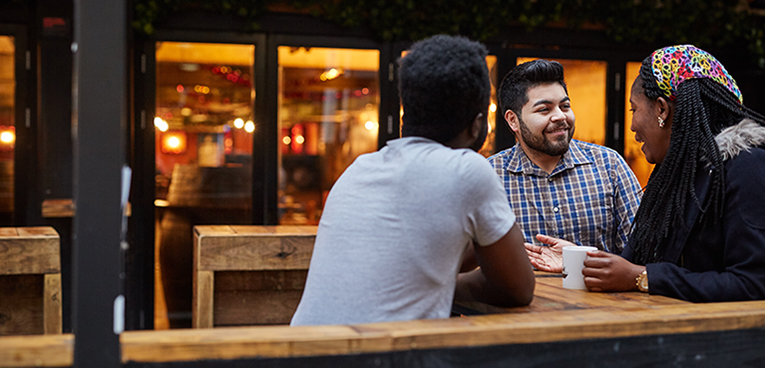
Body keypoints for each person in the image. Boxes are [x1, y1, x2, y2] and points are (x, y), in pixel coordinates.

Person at [290, 35, 535, 326]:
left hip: (304, 348)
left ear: (408, 113)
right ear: (478, 124)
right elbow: (517, 289)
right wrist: (445, 286)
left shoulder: (360, 167)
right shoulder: (468, 170)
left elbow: (430, 247)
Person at [526, 45, 765, 302]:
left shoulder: (746, 168)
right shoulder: (673, 174)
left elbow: (753, 283)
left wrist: (642, 277)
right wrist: (583, 260)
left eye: (634, 109)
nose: (631, 125)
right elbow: (635, 264)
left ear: (662, 109)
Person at [488, 59, 642, 254]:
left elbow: (642, 254)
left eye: (565, 106)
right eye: (544, 109)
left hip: (599, 286)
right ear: (513, 120)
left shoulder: (609, 165)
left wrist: (581, 258)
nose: (560, 116)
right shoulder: (490, 177)